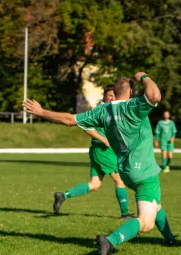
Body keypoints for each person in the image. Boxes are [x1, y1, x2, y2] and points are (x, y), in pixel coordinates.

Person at [23, 72, 177, 255]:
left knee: (155, 204)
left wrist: (41, 112)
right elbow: (154, 95)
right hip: (144, 172)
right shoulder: (134, 106)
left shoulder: (102, 111)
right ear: (130, 91)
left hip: (127, 172)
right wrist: (144, 76)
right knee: (146, 221)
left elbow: (69, 120)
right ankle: (110, 241)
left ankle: (170, 239)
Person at [52, 85, 132, 219]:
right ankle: (125, 214)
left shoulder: (112, 110)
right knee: (119, 180)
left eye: (114, 95)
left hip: (100, 151)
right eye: (110, 95)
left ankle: (63, 196)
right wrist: (104, 139)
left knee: (94, 184)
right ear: (104, 96)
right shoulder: (100, 110)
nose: (112, 97)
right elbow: (86, 127)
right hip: (103, 150)